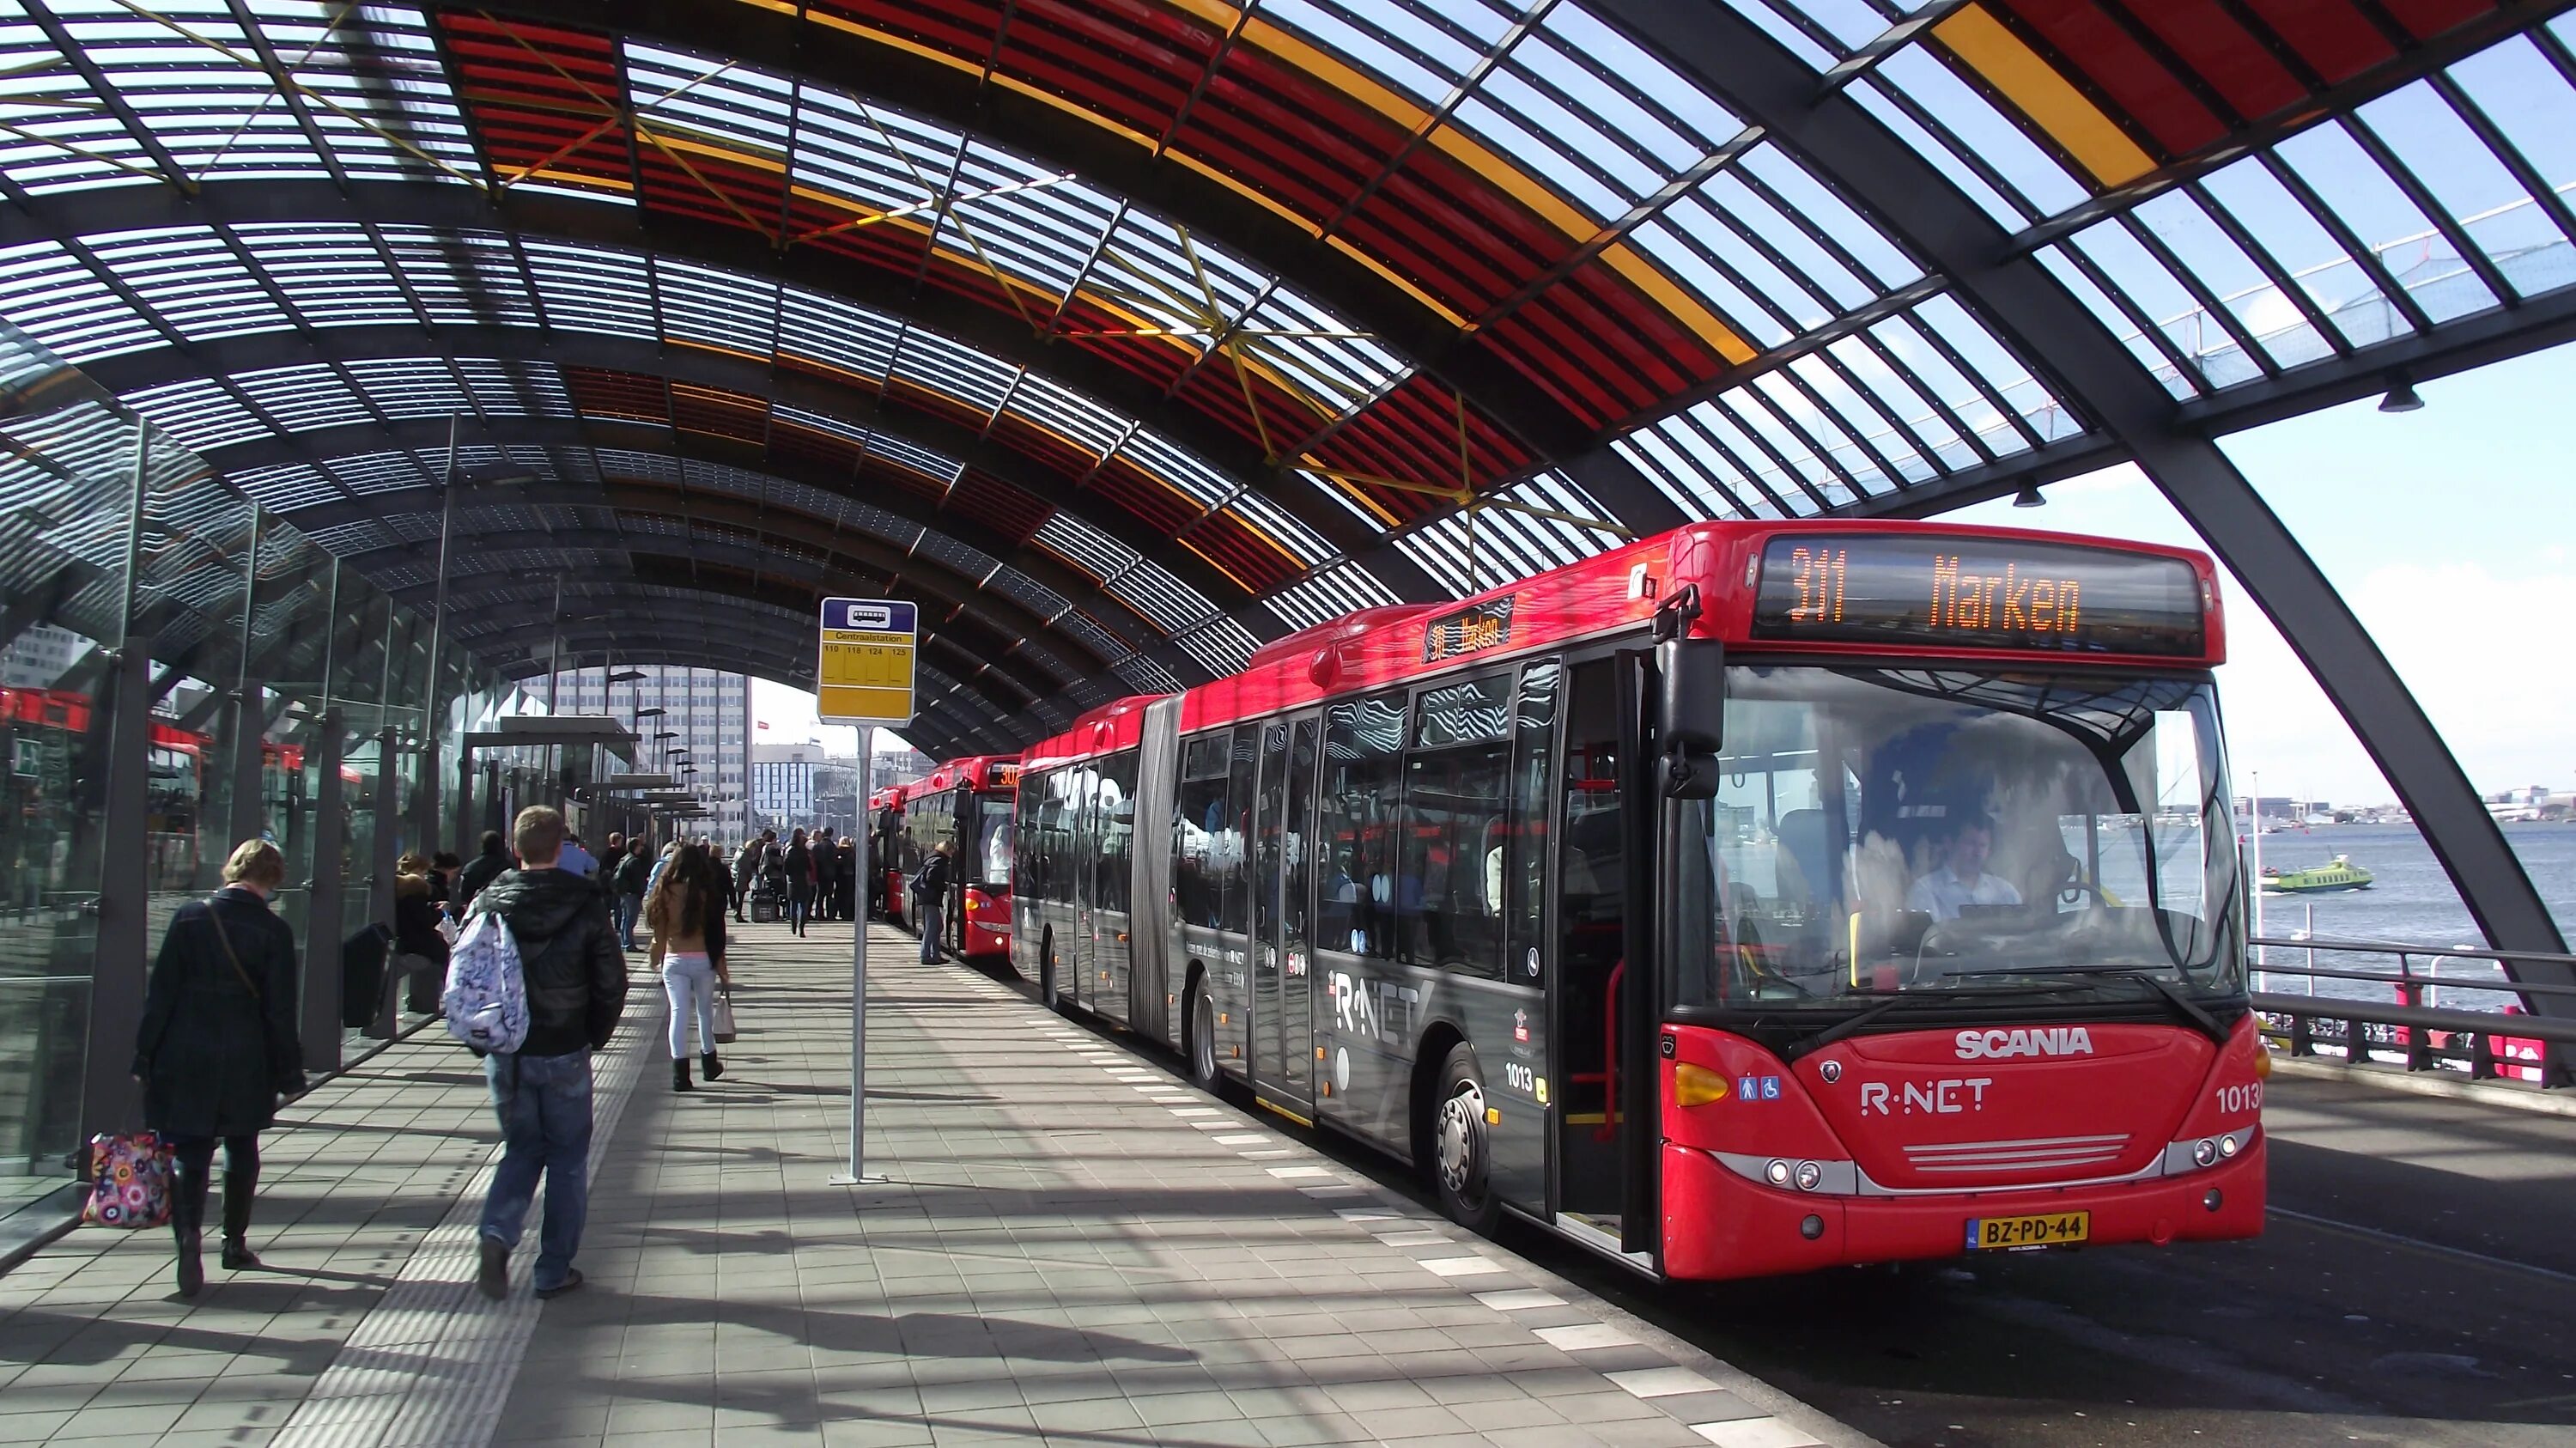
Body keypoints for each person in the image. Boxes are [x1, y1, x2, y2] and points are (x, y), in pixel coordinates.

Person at [132, 838, 306, 1298]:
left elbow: (161, 994)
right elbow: (279, 1011)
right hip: (246, 1054)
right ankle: (234, 1242)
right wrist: (289, 1070)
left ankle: (189, 1236)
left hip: (185, 1050)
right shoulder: (274, 931)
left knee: (190, 1149)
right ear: (272, 879)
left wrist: (144, 1053)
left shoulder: (189, 917)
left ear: (232, 870)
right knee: (241, 1144)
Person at [469, 806, 627, 1302]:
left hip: (507, 1050)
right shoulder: (584, 903)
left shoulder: (490, 902)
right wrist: (593, 1034)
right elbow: (611, 980)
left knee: (521, 1148)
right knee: (567, 1160)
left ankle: (496, 1235)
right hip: (563, 1046)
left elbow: (471, 975)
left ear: (516, 850)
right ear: (561, 849)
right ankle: (552, 1269)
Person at [647, 843, 732, 1092]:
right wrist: (722, 966)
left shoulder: (665, 891)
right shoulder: (706, 893)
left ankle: (680, 1075)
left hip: (674, 960)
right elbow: (717, 934)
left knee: (678, 1013)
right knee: (705, 1012)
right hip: (703, 959)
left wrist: (654, 958)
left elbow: (658, 935)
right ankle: (709, 1064)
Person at [1905, 818, 2024, 922]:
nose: (1977, 853)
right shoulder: (1925, 890)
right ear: (1949, 843)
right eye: (1971, 844)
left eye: (1983, 845)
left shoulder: (2006, 893)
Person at [392, 853, 450, 1017]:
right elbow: (424, 920)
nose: (425, 876)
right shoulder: (414, 889)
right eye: (424, 873)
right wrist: (439, 912)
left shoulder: (398, 887)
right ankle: (441, 997)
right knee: (441, 952)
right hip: (415, 945)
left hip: (402, 941)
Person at [914, 839, 954, 964]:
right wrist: (942, 886)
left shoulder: (932, 857)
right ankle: (926, 955)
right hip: (931, 898)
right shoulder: (939, 860)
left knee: (937, 927)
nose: (952, 855)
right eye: (951, 852)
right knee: (932, 927)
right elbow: (931, 877)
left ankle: (935, 955)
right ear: (947, 850)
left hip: (928, 898)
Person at [612, 839, 651, 953]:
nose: (641, 849)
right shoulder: (634, 861)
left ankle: (625, 943)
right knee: (631, 920)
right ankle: (629, 944)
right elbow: (637, 880)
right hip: (632, 894)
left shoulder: (624, 858)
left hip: (624, 893)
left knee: (625, 919)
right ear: (635, 847)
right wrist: (642, 891)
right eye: (639, 846)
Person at [457, 830, 511, 909]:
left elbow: (464, 896)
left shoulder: (470, 868)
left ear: (482, 845)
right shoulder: (508, 867)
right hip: (503, 911)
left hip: (478, 910)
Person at [783, 828, 813, 936]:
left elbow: (786, 868)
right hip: (803, 880)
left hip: (792, 880)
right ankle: (801, 928)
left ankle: (793, 925)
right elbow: (809, 867)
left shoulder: (789, 850)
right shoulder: (804, 852)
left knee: (793, 904)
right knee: (803, 905)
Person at [732, 837, 760, 923]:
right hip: (742, 878)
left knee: (739, 898)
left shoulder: (740, 852)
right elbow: (747, 868)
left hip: (738, 877)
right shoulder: (746, 855)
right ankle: (738, 914)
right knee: (740, 898)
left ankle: (737, 913)